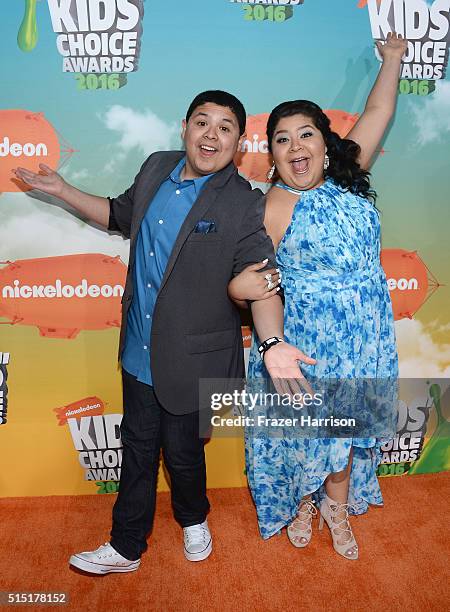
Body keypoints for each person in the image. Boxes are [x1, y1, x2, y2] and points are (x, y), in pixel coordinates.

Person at [13, 90, 312, 573]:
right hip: (138, 347)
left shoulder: (242, 203)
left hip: (194, 358)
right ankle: (126, 546)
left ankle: (194, 518)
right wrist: (63, 189)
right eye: (202, 122)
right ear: (184, 127)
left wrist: (273, 342)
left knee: (184, 454)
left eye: (225, 127)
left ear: (239, 142)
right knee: (136, 446)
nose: (211, 135)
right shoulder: (156, 167)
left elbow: (262, 283)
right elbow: (120, 215)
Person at [228, 33, 407, 559]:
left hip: (368, 330)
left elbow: (378, 108)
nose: (296, 147)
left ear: (326, 145)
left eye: (306, 134)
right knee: (310, 431)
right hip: (311, 339)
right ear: (272, 156)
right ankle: (307, 501)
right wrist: (251, 300)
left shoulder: (351, 178)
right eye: (281, 140)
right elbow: (253, 283)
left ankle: (338, 507)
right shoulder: (273, 206)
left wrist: (393, 58)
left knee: (348, 427)